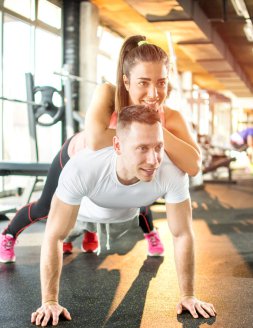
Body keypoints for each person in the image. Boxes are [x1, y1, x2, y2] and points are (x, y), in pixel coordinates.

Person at [0, 34, 201, 263]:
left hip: (124, 168)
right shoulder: (109, 94)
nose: (154, 93)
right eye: (143, 82)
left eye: (161, 82)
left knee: (142, 190)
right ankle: (7, 235)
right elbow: (95, 140)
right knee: (45, 207)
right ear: (127, 82)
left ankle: (145, 235)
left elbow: (193, 165)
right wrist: (149, 134)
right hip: (76, 155)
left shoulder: (172, 118)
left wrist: (157, 129)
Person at [31, 105, 215, 327]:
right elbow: (53, 236)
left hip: (130, 211)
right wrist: (49, 301)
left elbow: (183, 233)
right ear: (117, 145)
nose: (154, 159)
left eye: (158, 147)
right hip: (85, 212)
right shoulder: (84, 167)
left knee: (143, 206)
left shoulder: (170, 170)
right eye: (142, 148)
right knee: (59, 226)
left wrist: (188, 296)